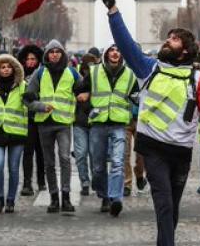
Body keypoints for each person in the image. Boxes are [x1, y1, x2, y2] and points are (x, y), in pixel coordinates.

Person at [101, 0, 200, 246]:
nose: (167, 40)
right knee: (164, 204)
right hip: (152, 149)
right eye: (168, 37)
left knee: (172, 209)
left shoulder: (198, 78)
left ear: (186, 50)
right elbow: (127, 45)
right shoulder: (148, 69)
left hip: (180, 152)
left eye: (174, 39)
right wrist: (113, 10)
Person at [75, 44, 137, 216]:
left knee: (118, 163)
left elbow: (137, 96)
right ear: (106, 54)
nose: (115, 52)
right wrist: (88, 104)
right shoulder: (94, 72)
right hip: (98, 124)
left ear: (121, 55)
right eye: (112, 50)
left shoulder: (130, 75)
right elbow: (78, 91)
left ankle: (115, 198)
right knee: (98, 167)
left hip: (119, 125)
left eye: (118, 50)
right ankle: (104, 196)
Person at [23, 40, 81, 214]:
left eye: (58, 51)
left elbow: (84, 90)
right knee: (48, 162)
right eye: (51, 51)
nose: (54, 54)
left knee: (64, 158)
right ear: (46, 54)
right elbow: (27, 99)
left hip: (63, 122)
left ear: (63, 54)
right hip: (44, 123)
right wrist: (41, 107)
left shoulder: (72, 72)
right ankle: (54, 197)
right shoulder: (39, 73)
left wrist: (84, 95)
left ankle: (66, 196)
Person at [0, 54, 28, 213]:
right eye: (2, 67)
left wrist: (41, 106)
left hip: (16, 131)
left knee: (14, 168)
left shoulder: (23, 85)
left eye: (9, 67)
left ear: (14, 69)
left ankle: (10, 200)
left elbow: (31, 102)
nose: (6, 69)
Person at [17, 44, 46, 196]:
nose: (30, 61)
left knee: (41, 152)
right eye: (27, 59)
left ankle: (42, 181)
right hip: (26, 118)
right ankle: (27, 182)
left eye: (33, 59)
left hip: (41, 117)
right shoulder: (18, 76)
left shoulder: (43, 75)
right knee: (28, 152)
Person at [73, 53, 97, 196]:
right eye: (87, 66)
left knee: (95, 155)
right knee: (81, 154)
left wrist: (89, 93)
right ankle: (85, 182)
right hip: (79, 122)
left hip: (95, 123)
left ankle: (96, 179)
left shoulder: (101, 80)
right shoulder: (76, 79)